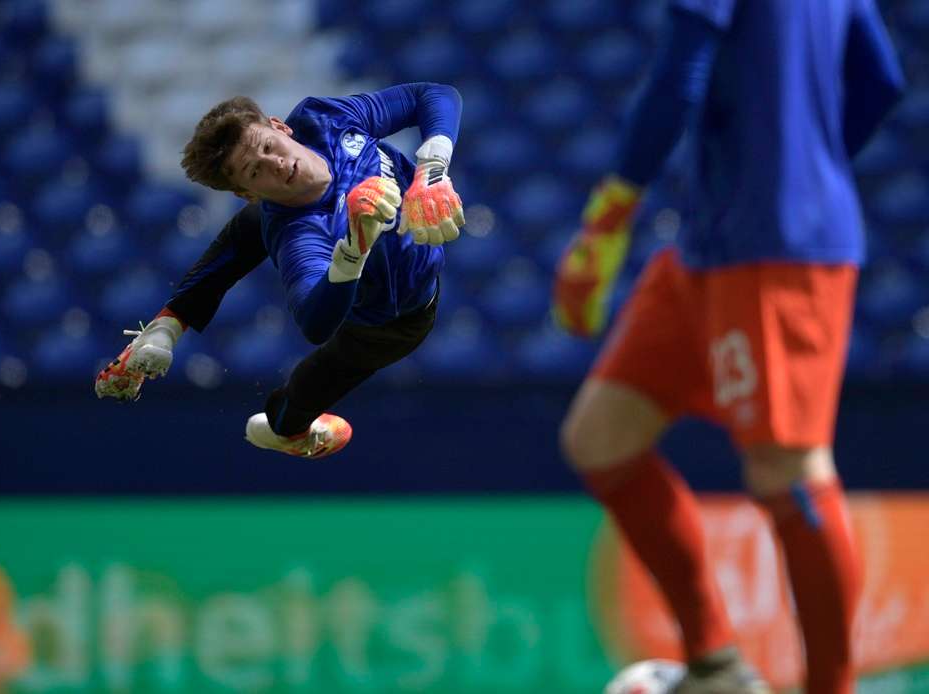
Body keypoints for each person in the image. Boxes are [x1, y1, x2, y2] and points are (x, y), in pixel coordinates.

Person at [552, 1, 904, 692]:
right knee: (601, 436)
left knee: (791, 470)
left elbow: (681, 70)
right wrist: (812, 161)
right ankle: (716, 666)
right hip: (711, 247)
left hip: (775, 248)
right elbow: (880, 78)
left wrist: (608, 218)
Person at [96, 82, 465, 459]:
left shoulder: (323, 119)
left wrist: (432, 170)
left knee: (254, 226)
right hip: (391, 321)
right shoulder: (298, 238)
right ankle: (284, 430)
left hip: (287, 211)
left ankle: (166, 325)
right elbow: (315, 323)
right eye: (256, 172)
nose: (277, 164)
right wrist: (353, 249)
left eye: (269, 147)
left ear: (280, 126)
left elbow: (433, 95)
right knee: (308, 390)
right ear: (246, 191)